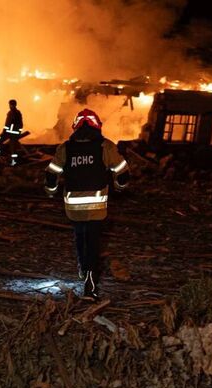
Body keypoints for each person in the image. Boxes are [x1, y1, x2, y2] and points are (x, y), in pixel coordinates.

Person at [44, 109, 130, 301]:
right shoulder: (105, 146)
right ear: (97, 126)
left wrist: (51, 191)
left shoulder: (66, 148)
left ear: (76, 127)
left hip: (73, 208)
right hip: (97, 208)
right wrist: (120, 188)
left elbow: (51, 175)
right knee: (93, 241)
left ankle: (83, 269)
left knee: (80, 236)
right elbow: (122, 173)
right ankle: (90, 282)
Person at [0, 99, 23, 166]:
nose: (10, 106)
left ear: (12, 105)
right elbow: (21, 124)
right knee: (13, 148)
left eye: (10, 105)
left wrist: (4, 131)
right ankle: (14, 162)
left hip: (8, 132)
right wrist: (19, 132)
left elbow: (8, 123)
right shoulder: (18, 113)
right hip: (14, 133)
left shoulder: (11, 113)